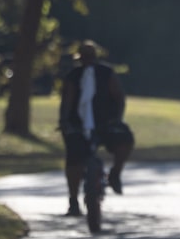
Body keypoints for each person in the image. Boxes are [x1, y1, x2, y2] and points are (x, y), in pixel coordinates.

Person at [58, 40, 136, 217]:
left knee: (125, 140)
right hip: (79, 124)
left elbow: (119, 97)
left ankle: (115, 173)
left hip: (106, 123)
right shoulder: (73, 76)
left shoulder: (106, 74)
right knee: (74, 160)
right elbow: (67, 101)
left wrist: (116, 119)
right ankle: (73, 200)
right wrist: (65, 122)